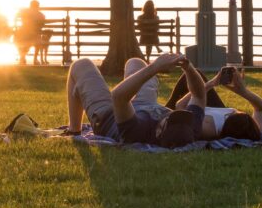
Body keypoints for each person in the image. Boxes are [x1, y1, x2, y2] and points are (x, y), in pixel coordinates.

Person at [65, 52, 206, 148]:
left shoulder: (138, 132)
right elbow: (199, 95)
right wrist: (188, 68)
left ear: (158, 132)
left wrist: (155, 67)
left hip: (108, 115)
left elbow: (118, 97)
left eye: (170, 119)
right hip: (145, 103)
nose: (171, 114)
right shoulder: (191, 129)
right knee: (136, 62)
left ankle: (74, 130)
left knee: (81, 64)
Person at [165, 64, 262, 140]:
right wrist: (242, 91)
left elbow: (180, 107)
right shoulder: (253, 131)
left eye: (235, 114)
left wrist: (210, 84)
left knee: (192, 76)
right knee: (197, 74)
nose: (237, 111)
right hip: (216, 109)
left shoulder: (210, 128)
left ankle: (164, 110)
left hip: (197, 106)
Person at [14, 0, 47, 65]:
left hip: (23, 36)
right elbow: (42, 25)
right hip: (36, 37)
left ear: (30, 5)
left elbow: (16, 16)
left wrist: (16, 26)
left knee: (16, 39)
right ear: (38, 6)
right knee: (38, 39)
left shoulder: (24, 12)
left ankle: (22, 57)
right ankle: (35, 59)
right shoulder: (41, 15)